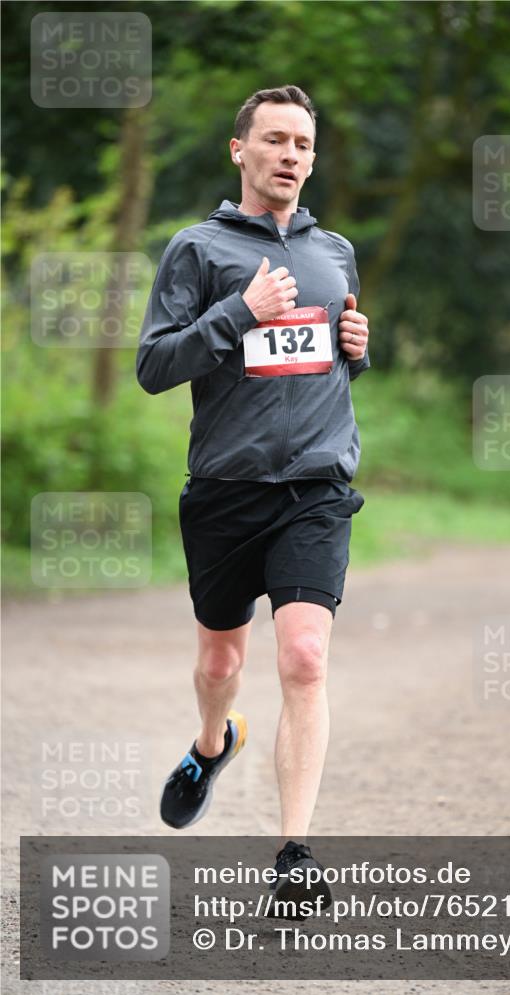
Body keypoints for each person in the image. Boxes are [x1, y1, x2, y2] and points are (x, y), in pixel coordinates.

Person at [136, 85, 370, 907]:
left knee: (304, 658)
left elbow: (322, 365)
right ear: (240, 150)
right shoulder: (197, 249)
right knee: (220, 662)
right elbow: (154, 367)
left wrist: (355, 350)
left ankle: (295, 855)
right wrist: (238, 311)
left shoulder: (334, 250)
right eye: (274, 140)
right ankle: (211, 743)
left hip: (314, 487)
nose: (290, 155)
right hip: (224, 492)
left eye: (302, 143)